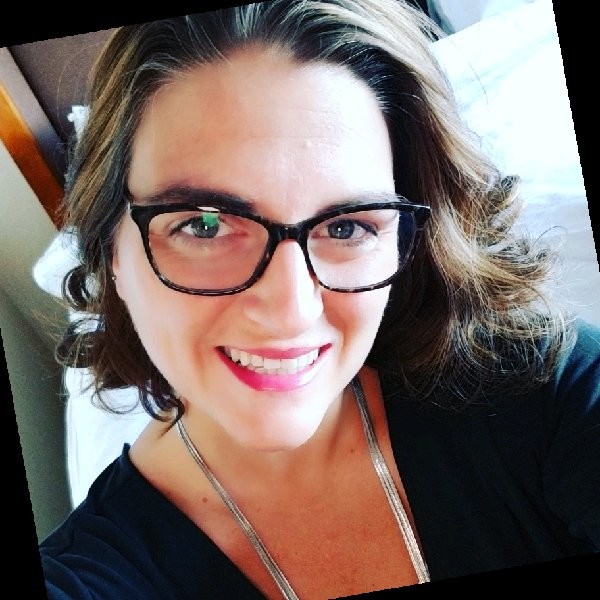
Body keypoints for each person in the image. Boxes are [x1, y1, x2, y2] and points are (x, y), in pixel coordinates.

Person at [38, 0, 599, 598]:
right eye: (204, 225)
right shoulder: (85, 580)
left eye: (347, 226)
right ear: (111, 250)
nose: (291, 311)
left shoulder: (553, 397)